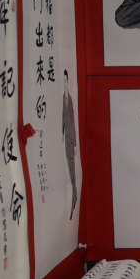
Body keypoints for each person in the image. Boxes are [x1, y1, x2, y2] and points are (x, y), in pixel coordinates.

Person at [62, 70, 78, 220]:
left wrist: (75, 143)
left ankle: (74, 197)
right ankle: (73, 197)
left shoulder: (70, 98)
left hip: (71, 140)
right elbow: (62, 120)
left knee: (72, 170)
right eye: (64, 81)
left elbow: (72, 121)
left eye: (67, 81)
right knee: (68, 167)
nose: (66, 84)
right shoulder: (63, 98)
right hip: (65, 140)